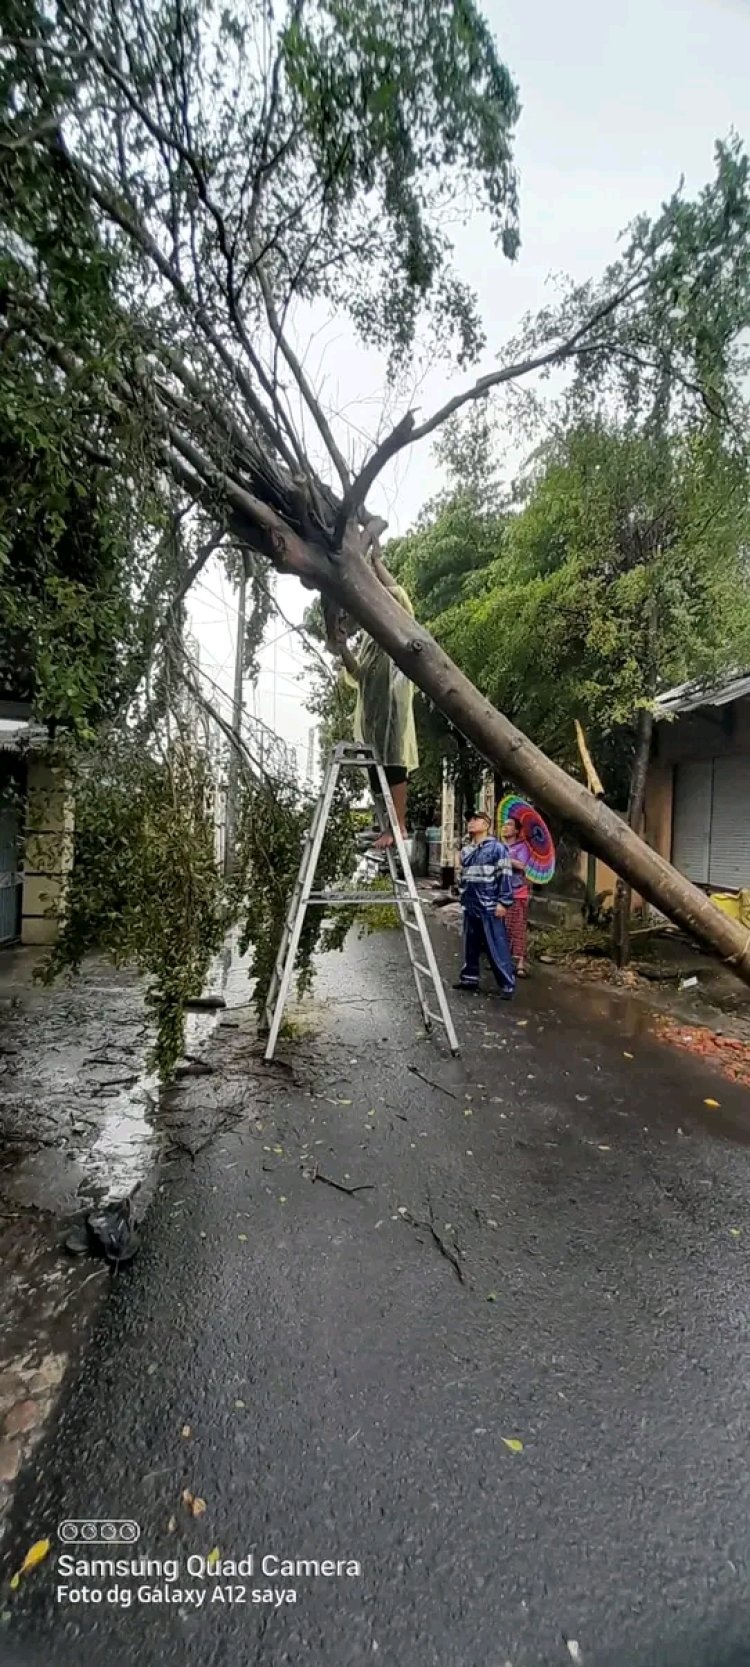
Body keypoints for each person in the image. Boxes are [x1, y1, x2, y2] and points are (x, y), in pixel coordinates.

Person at [329, 547, 418, 848]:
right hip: (371, 715)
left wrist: (376, 563)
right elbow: (358, 674)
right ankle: (385, 826)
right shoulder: (369, 640)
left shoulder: (398, 627)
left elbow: (396, 594)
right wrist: (343, 648)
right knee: (375, 769)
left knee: (394, 765)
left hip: (392, 709)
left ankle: (398, 825)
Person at [454, 810, 515, 998]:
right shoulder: (467, 850)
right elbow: (463, 876)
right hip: (470, 903)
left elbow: (505, 875)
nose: (471, 822)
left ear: (486, 825)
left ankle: (507, 985)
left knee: (496, 945)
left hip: (489, 905)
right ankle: (469, 978)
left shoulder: (497, 849)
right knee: (470, 945)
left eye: (476, 819)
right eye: (469, 820)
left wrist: (503, 902)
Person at [500, 813, 531, 977]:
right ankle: (502, 960)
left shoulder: (521, 847)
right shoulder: (499, 847)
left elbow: (522, 865)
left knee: (518, 928)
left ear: (517, 830)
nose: (505, 827)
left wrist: (507, 859)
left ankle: (520, 963)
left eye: (509, 825)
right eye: (504, 824)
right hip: (501, 892)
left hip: (517, 893)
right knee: (501, 928)